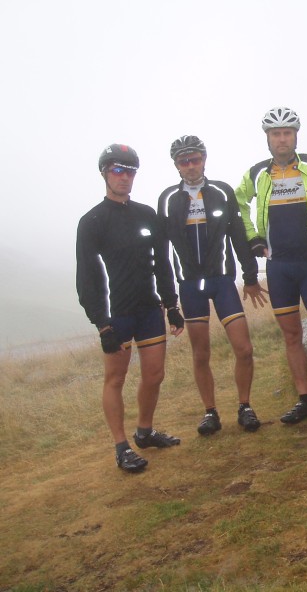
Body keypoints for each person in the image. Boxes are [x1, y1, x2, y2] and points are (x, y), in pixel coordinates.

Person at [77, 144, 184, 473]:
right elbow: (88, 276)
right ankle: (121, 446)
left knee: (154, 374)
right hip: (117, 316)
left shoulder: (146, 214)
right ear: (105, 174)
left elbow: (162, 263)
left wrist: (171, 304)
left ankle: (145, 431)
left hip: (149, 309)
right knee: (115, 378)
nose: (125, 177)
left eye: (130, 171)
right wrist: (102, 324)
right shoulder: (92, 221)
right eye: (118, 170)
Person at [158, 135, 267, 436]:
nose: (191, 166)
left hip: (221, 282)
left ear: (204, 159)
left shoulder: (221, 191)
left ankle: (245, 406)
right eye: (184, 161)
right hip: (190, 286)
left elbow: (237, 237)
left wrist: (249, 276)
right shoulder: (168, 199)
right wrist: (169, 301)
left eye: (195, 159)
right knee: (200, 353)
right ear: (177, 166)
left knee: (244, 349)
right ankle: (210, 412)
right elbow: (161, 252)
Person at [234, 107, 307, 425]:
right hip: (279, 267)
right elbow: (236, 202)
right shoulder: (257, 174)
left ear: (296, 136)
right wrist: (253, 238)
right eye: (275, 134)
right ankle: (304, 399)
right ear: (267, 138)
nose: (281, 139)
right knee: (291, 337)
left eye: (287, 133)